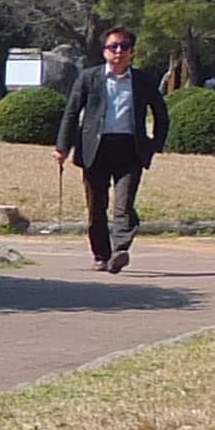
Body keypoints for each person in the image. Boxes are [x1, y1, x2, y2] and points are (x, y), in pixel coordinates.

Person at [54, 26, 170, 273]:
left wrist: (155, 144)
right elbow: (72, 113)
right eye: (113, 46)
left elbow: (161, 113)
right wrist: (62, 147)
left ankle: (120, 250)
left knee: (124, 204)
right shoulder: (89, 77)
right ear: (104, 50)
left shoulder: (142, 81)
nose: (118, 51)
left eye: (124, 47)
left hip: (130, 149)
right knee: (97, 207)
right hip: (95, 149)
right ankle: (100, 254)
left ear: (132, 52)